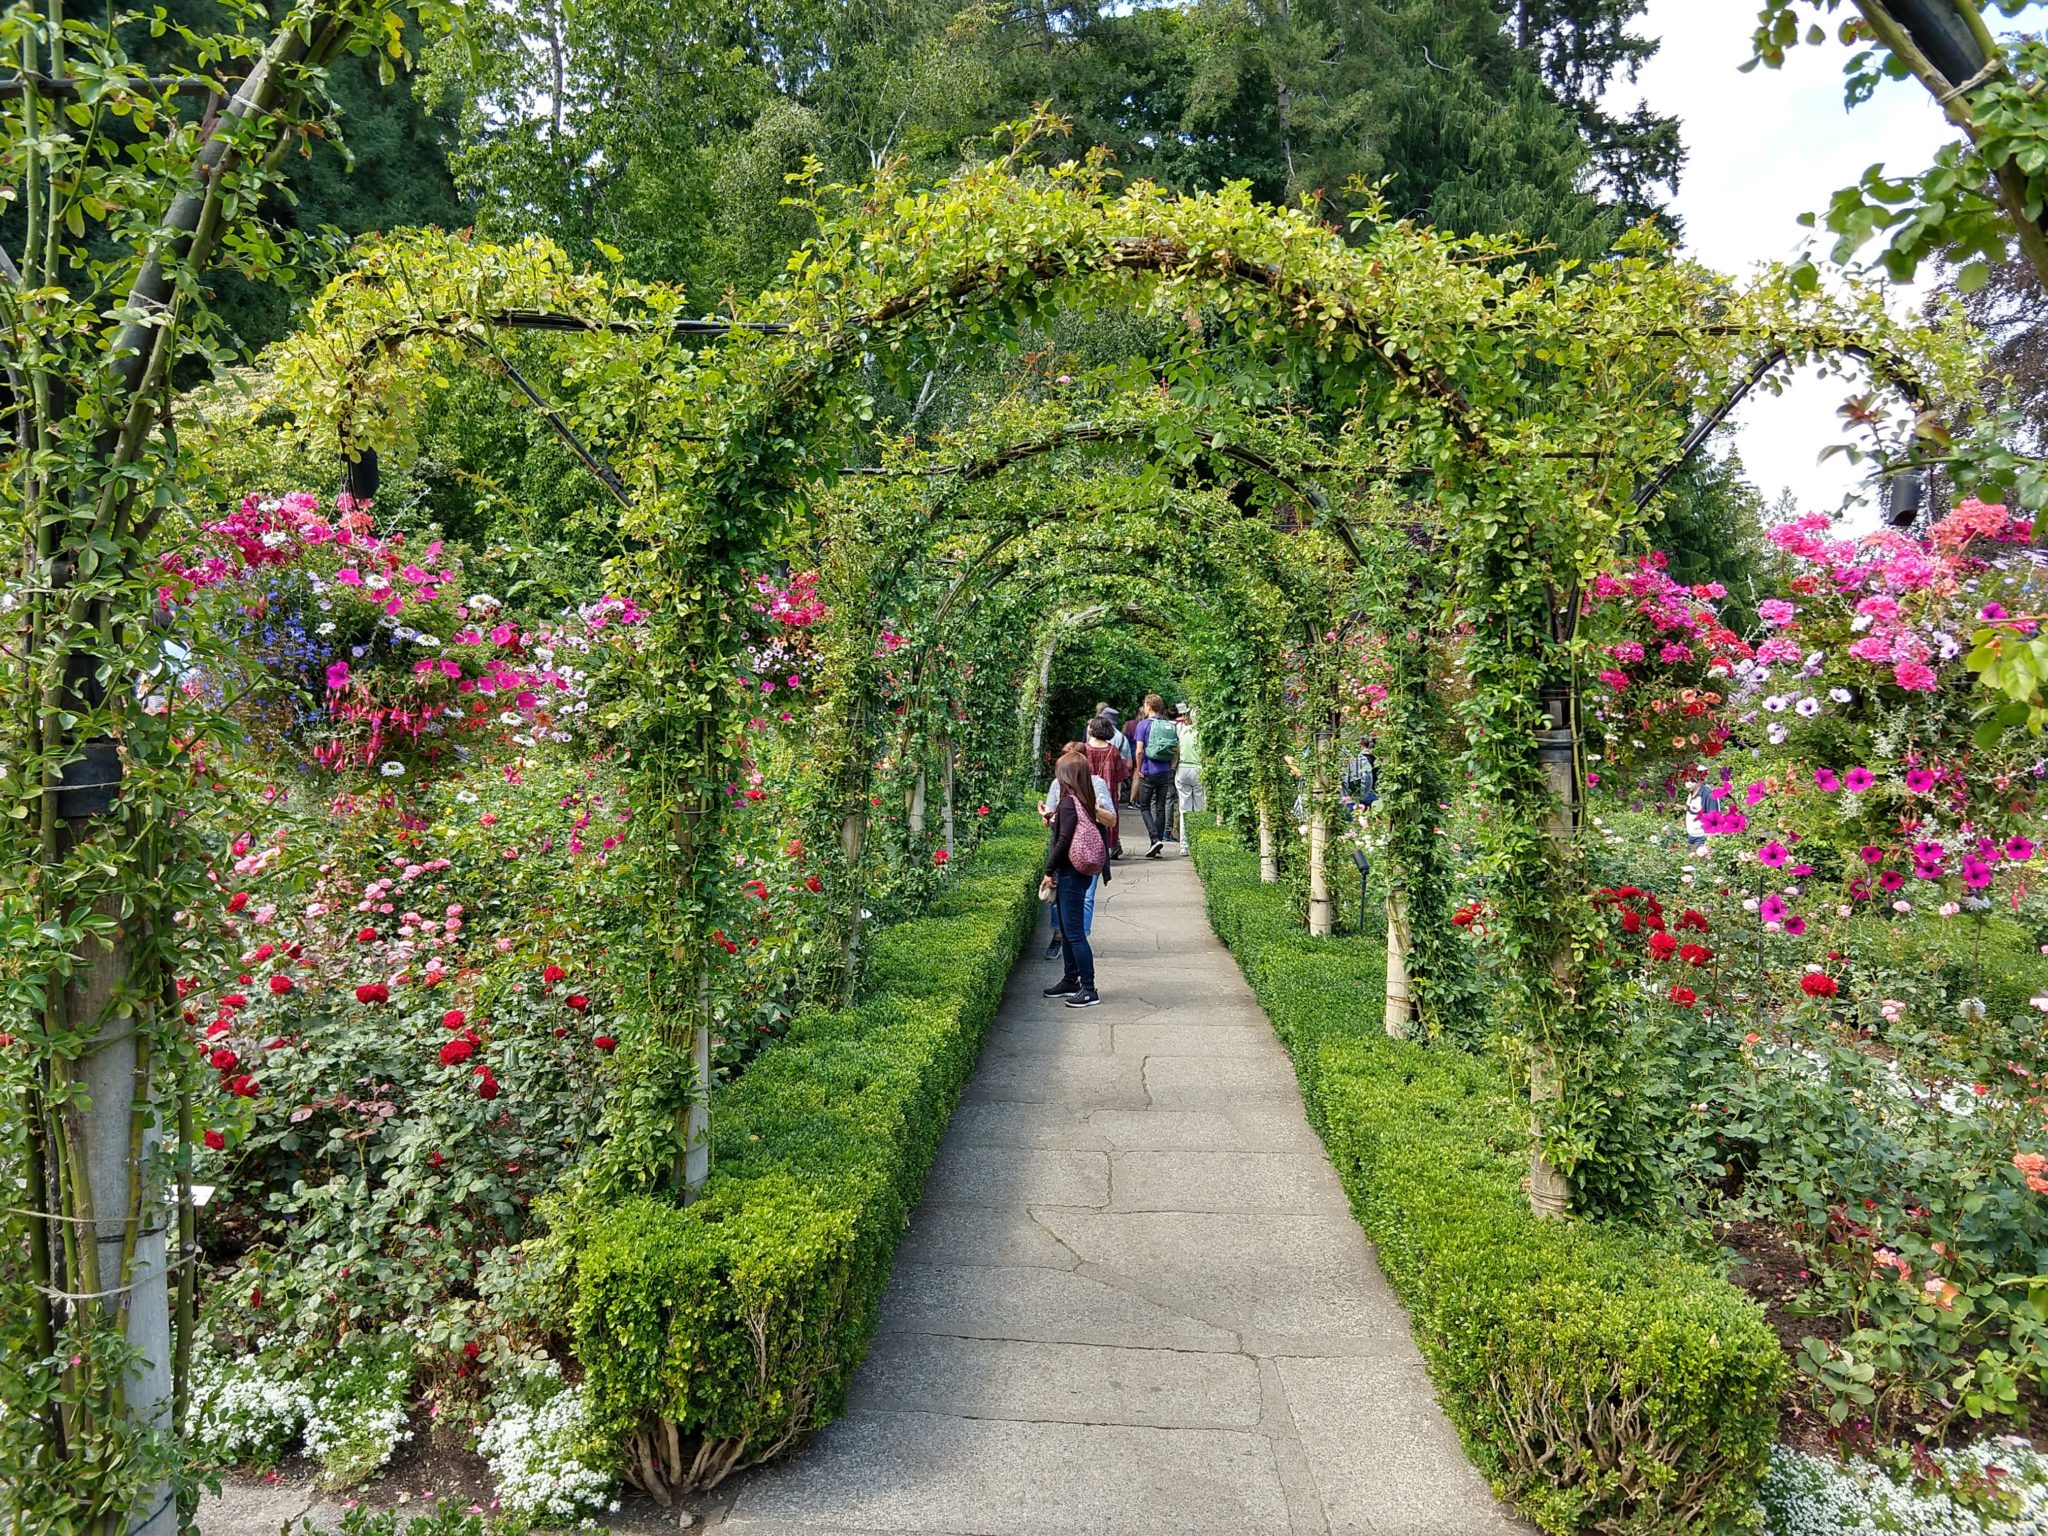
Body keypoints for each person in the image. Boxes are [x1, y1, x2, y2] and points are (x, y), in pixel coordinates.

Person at [1041, 754, 1106, 1007]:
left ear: (1066, 775)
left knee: (1075, 933)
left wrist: (1049, 870)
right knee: (1068, 931)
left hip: (1070, 873)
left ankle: (1089, 988)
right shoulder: (1083, 800)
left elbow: (1064, 841)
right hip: (1077, 874)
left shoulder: (1069, 803)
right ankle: (1070, 979)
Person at [1042, 742, 1116, 958]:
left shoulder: (1097, 784)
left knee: (1086, 897)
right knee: (1058, 898)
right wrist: (1048, 815)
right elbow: (1051, 818)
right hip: (1064, 852)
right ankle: (1060, 937)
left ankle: (1078, 940)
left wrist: (1089, 806)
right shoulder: (1058, 784)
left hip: (1086, 850)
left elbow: (1111, 819)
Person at [1129, 693, 1180, 857]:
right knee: (1160, 807)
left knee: (1144, 807)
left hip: (1148, 771)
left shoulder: (1143, 725)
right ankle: (1156, 845)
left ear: (1149, 707)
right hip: (1164, 771)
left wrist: (1139, 769)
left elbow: (1138, 751)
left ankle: (1154, 838)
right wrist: (1171, 766)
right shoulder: (1167, 725)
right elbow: (1176, 750)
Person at [1086, 716, 1129, 857]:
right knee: (1109, 817)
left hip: (1088, 790)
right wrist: (1117, 791)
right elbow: (1118, 776)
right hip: (1108, 790)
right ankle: (1109, 845)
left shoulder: (1085, 749)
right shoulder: (1113, 750)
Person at [1171, 702, 1204, 854]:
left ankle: (1184, 846)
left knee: (1184, 809)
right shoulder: (1202, 732)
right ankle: (1198, 843)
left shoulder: (1181, 729)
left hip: (1183, 768)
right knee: (1198, 808)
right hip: (1198, 769)